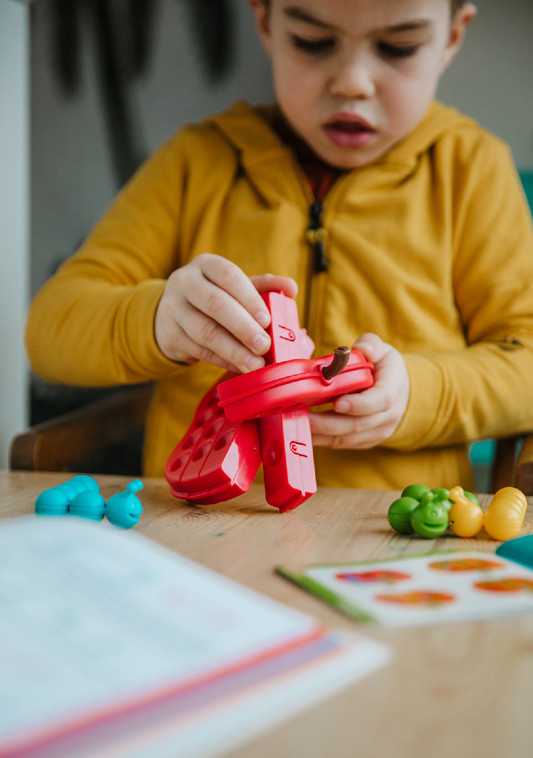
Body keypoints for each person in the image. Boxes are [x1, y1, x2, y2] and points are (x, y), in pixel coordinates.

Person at [25, 0, 533, 491]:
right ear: (265, 21)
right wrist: (156, 320)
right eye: (312, 41)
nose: (352, 82)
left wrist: (418, 395)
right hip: (192, 527)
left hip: (388, 532)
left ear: (451, 36)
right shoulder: (195, 162)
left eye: (399, 47)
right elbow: (51, 328)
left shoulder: (472, 172)